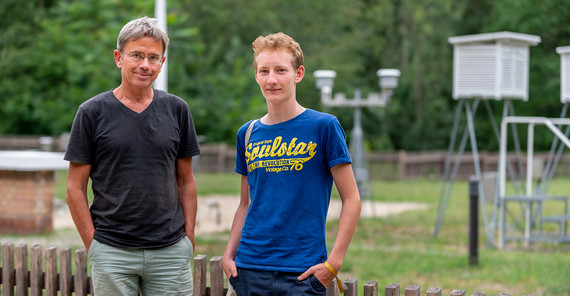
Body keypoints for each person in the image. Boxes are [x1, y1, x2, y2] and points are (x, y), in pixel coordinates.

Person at [65, 16, 200, 295]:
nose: (145, 65)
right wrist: (94, 246)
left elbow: (186, 181)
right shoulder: (91, 112)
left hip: (170, 250)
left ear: (162, 62)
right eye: (136, 55)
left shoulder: (177, 109)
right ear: (118, 57)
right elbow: (74, 188)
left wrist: (188, 237)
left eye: (153, 57)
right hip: (112, 250)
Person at [222, 32, 361, 295]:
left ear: (298, 74)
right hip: (249, 268)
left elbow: (352, 199)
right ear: (256, 75)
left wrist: (333, 264)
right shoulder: (248, 133)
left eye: (280, 70)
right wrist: (229, 255)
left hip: (302, 272)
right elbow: (245, 203)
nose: (271, 79)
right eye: (264, 71)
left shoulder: (324, 127)